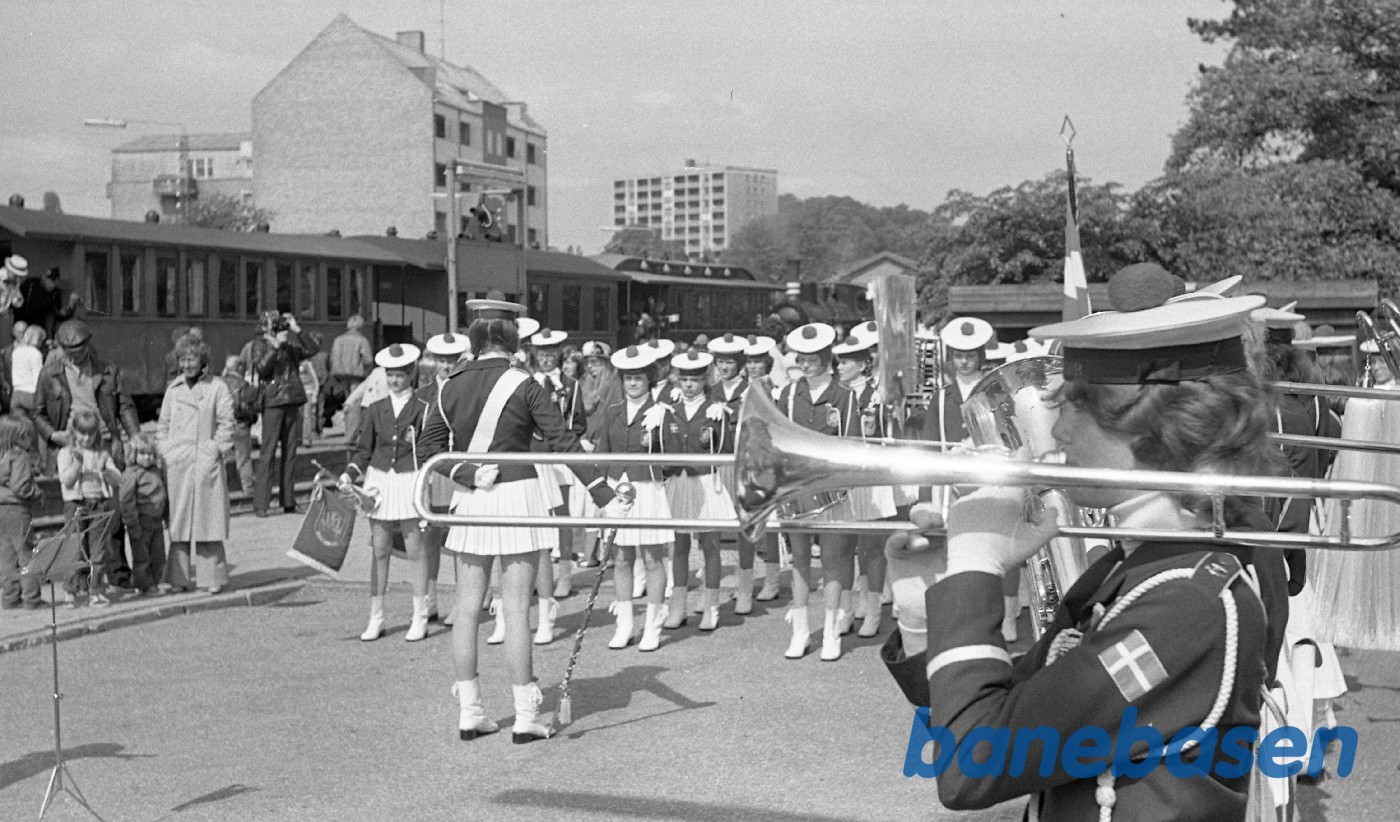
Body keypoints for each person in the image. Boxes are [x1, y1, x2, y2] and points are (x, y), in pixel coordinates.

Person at [882, 263, 1288, 820]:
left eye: (1076, 405)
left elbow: (973, 765)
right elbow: (996, 712)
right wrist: (925, 610)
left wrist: (976, 566)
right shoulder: (1135, 567)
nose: (1058, 430)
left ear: (1151, 430)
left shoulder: (1188, 601)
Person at [416, 297, 629, 744]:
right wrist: (603, 495)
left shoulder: (448, 385)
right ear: (513, 339)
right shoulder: (525, 383)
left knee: (467, 608)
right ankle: (526, 716)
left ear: (475, 339)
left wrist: (467, 474)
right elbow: (563, 442)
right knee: (515, 609)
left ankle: (470, 713)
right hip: (518, 495)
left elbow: (429, 449)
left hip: (472, 499)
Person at [773, 322, 858, 660]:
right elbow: (777, 437)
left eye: (811, 360)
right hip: (797, 484)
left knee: (833, 558)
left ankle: (831, 630)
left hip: (830, 486)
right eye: (801, 360)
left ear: (825, 360)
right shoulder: (788, 394)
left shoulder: (844, 395)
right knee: (800, 557)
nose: (805, 365)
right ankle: (800, 631)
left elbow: (851, 441)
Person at [35, 319, 140, 586]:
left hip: (105, 443)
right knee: (77, 517)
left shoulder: (107, 370)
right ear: (61, 348)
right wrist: (53, 434)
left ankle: (117, 573)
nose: (75, 354)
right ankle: (80, 578)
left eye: (80, 348)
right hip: (73, 447)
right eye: (69, 349)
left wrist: (134, 435)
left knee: (111, 514)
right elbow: (37, 413)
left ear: (89, 343)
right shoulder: (49, 374)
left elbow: (124, 405)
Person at [340, 344, 433, 642]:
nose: (394, 380)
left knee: (415, 549)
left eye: (400, 375)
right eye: (390, 375)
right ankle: (376, 617)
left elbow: (430, 450)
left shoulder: (422, 408)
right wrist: (349, 473)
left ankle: (420, 616)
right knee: (380, 549)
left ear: (411, 374)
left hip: (408, 480)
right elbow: (363, 450)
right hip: (379, 481)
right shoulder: (375, 408)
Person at [593, 344, 677, 651]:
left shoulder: (661, 412)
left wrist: (658, 439)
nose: (632, 383)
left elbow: (673, 458)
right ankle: (625, 624)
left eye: (638, 378)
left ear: (648, 379)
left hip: (647, 487)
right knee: (621, 557)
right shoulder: (613, 412)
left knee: (652, 558)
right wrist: (601, 495)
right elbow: (602, 454)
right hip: (618, 487)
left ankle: (652, 625)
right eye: (628, 378)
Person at [158, 336, 235, 594]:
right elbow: (163, 425)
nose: (186, 365)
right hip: (178, 465)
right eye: (182, 360)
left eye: (191, 359)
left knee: (208, 523)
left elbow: (227, 425)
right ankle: (178, 579)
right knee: (178, 524)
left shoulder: (218, 387)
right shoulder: (173, 390)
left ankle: (211, 578)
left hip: (205, 464)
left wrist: (213, 450)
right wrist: (167, 451)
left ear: (202, 360)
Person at [663, 349, 734, 631]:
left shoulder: (715, 410)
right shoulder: (670, 409)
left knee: (710, 545)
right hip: (679, 481)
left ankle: (711, 605)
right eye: (684, 380)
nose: (689, 385)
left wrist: (720, 427)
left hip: (705, 480)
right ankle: (678, 606)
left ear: (705, 380)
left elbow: (727, 451)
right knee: (679, 547)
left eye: (694, 380)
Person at [417, 331, 471, 624]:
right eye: (441, 360)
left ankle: (463, 600)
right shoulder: (422, 395)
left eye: (451, 360)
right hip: (432, 471)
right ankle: (430, 598)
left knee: (460, 538)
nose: (446, 366)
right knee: (430, 535)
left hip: (458, 468)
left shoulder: (466, 390)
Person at [707, 333, 758, 613]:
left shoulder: (752, 391)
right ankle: (711, 592)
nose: (724, 367)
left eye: (729, 362)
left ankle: (745, 588)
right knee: (711, 528)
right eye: (720, 362)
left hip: (742, 465)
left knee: (744, 527)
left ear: (740, 363)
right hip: (716, 467)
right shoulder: (710, 392)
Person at [247, 311, 317, 516]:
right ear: (265, 327)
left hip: (292, 399)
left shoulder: (290, 345)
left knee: (290, 452)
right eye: (275, 325)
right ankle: (261, 504)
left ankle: (288, 501)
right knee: (268, 452)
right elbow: (261, 368)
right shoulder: (260, 345)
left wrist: (298, 330)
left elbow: (312, 349)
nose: (279, 329)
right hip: (273, 401)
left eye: (281, 325)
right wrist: (275, 347)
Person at [57, 409, 121, 606]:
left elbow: (117, 479)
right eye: (82, 433)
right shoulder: (67, 452)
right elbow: (66, 480)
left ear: (97, 433)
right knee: (75, 549)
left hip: (98, 505)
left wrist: (105, 469)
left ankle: (96, 590)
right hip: (76, 505)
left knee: (98, 551)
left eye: (91, 433)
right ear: (74, 431)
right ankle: (71, 590)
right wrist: (77, 464)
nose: (86, 438)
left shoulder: (101, 453)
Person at [0, 414, 42, 610]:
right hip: (17, 510)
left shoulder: (2, 456)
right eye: (26, 436)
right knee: (26, 553)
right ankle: (32, 598)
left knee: (6, 555)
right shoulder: (20, 456)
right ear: (16, 437)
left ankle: (10, 597)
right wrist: (37, 493)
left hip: (1, 510)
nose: (29, 441)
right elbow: (21, 487)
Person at [119, 434, 167, 596]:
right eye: (143, 453)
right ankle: (145, 585)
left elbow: (163, 494)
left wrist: (165, 516)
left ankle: (155, 581)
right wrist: (132, 524)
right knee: (142, 556)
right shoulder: (131, 474)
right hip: (141, 521)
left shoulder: (155, 472)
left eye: (150, 454)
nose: (147, 457)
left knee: (158, 555)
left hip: (156, 520)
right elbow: (126, 500)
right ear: (134, 454)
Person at [325, 315, 374, 426]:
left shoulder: (338, 340)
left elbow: (332, 358)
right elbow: (368, 360)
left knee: (346, 400)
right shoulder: (362, 340)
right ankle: (352, 429)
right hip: (356, 374)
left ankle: (348, 425)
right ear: (360, 326)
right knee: (355, 401)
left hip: (340, 374)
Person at [221, 355, 258, 495]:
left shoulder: (219, 383)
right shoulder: (243, 384)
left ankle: (222, 490)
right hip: (240, 424)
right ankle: (248, 489)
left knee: (221, 459)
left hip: (223, 425)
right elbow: (245, 407)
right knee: (244, 459)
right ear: (239, 367)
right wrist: (252, 419)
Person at [15, 265, 79, 342]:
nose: (53, 285)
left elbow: (59, 314)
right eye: (50, 281)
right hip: (21, 322)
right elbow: (16, 297)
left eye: (55, 282)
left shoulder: (55, 293)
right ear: (44, 278)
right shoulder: (31, 283)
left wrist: (71, 305)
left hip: (37, 328)